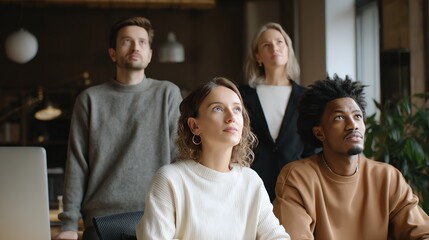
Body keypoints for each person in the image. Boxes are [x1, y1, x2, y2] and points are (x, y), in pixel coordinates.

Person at [56, 16, 182, 240]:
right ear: (112, 53)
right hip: (101, 219)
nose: (135, 47)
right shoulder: (90, 99)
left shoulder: (167, 94)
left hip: (157, 217)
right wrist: (69, 225)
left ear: (150, 54)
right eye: (126, 41)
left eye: (142, 42)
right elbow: (76, 164)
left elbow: (179, 159)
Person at [273, 75, 429, 239]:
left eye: (357, 116)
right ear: (319, 132)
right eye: (339, 117)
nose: (352, 125)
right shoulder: (298, 178)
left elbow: (423, 232)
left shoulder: (388, 177)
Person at [136, 77, 290, 239]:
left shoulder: (251, 181)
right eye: (218, 108)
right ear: (195, 126)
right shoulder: (170, 180)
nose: (231, 117)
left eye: (237, 109)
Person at [239, 22, 316, 201]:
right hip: (252, 185)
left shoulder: (306, 97)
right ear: (258, 56)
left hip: (296, 185)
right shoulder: (242, 95)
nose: (275, 47)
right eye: (266, 45)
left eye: (280, 42)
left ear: (288, 49)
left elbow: (312, 145)